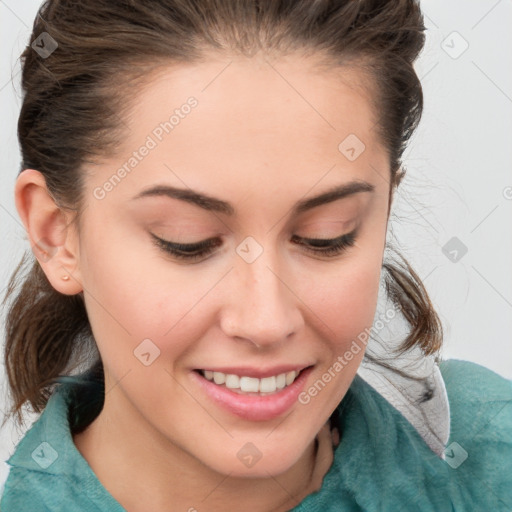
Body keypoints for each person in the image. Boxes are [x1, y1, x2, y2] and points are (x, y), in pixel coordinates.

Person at [1, 0, 511, 510]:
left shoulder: (489, 459)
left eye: (327, 235)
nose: (266, 321)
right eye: (188, 241)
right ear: (56, 235)